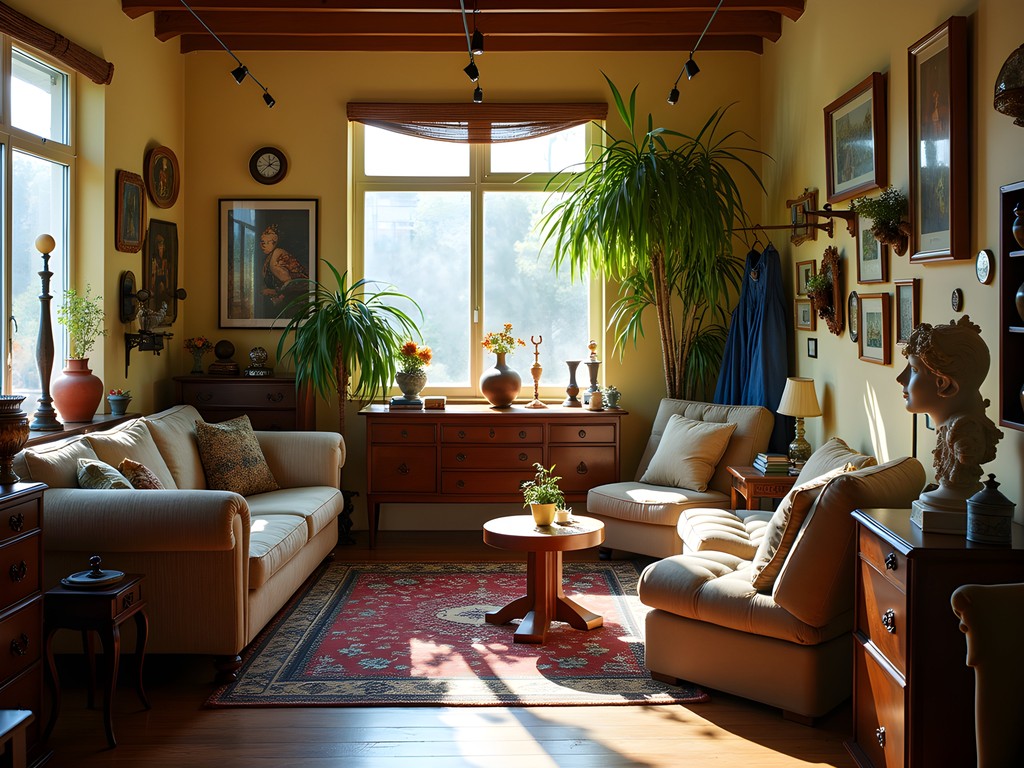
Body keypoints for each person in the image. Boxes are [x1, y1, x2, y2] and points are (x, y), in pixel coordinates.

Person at [896, 315, 1002, 513]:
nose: (900, 378)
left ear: (944, 384)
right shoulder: (952, 431)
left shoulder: (965, 436)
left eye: (913, 369)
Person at [259, 224, 308, 316]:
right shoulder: (268, 257)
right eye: (261, 242)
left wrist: (275, 293)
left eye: (266, 242)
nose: (262, 245)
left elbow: (289, 282)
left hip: (296, 299)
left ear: (274, 242)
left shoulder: (277, 253)